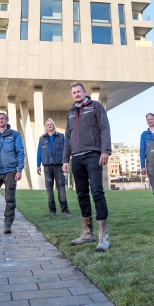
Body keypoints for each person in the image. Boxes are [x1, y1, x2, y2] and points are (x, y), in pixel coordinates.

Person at [62, 82, 112, 252]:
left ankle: (103, 237)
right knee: (81, 194)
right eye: (73, 92)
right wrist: (65, 160)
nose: (76, 94)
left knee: (97, 191)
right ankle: (86, 233)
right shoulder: (70, 112)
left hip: (93, 154)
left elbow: (104, 129)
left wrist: (105, 151)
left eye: (78, 91)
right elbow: (68, 137)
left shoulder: (95, 107)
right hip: (76, 158)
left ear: (85, 92)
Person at [37, 118, 71, 217]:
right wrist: (38, 165)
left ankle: (65, 211)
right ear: (46, 127)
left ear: (54, 125)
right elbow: (39, 152)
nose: (49, 126)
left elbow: (66, 150)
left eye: (51, 124)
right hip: (47, 166)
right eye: (47, 125)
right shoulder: (42, 138)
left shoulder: (61, 137)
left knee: (61, 188)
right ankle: (52, 211)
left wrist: (66, 162)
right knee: (49, 189)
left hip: (58, 165)